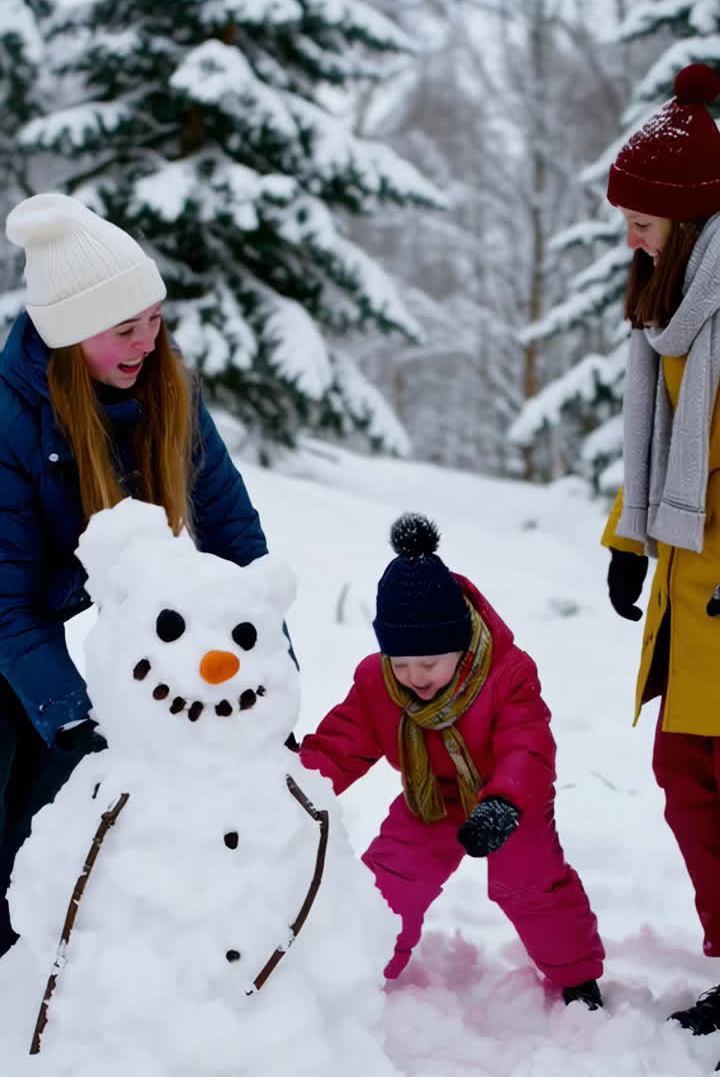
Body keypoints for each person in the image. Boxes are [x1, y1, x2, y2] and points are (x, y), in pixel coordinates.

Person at [0, 191, 274, 959]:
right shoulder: (11, 421)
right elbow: (7, 603)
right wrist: (72, 712)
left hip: (35, 617)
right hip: (10, 613)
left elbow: (237, 545)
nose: (148, 343)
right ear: (67, 336)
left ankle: (26, 960)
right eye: (124, 329)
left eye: (154, 319)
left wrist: (266, 678)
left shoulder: (164, 391)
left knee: (48, 803)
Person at [300, 513, 604, 1007]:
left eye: (429, 663)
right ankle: (359, 977)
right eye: (401, 663)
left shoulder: (507, 674)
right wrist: (292, 786)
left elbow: (527, 747)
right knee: (389, 882)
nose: (415, 677)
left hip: (507, 803)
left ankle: (578, 979)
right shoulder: (377, 683)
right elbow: (340, 745)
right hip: (431, 798)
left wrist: (505, 803)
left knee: (530, 886)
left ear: (460, 647)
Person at [601, 62, 720, 1036]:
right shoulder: (667, 307)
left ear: (686, 218)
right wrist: (628, 540)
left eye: (642, 220)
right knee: (687, 780)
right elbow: (658, 436)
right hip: (692, 575)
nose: (630, 237)